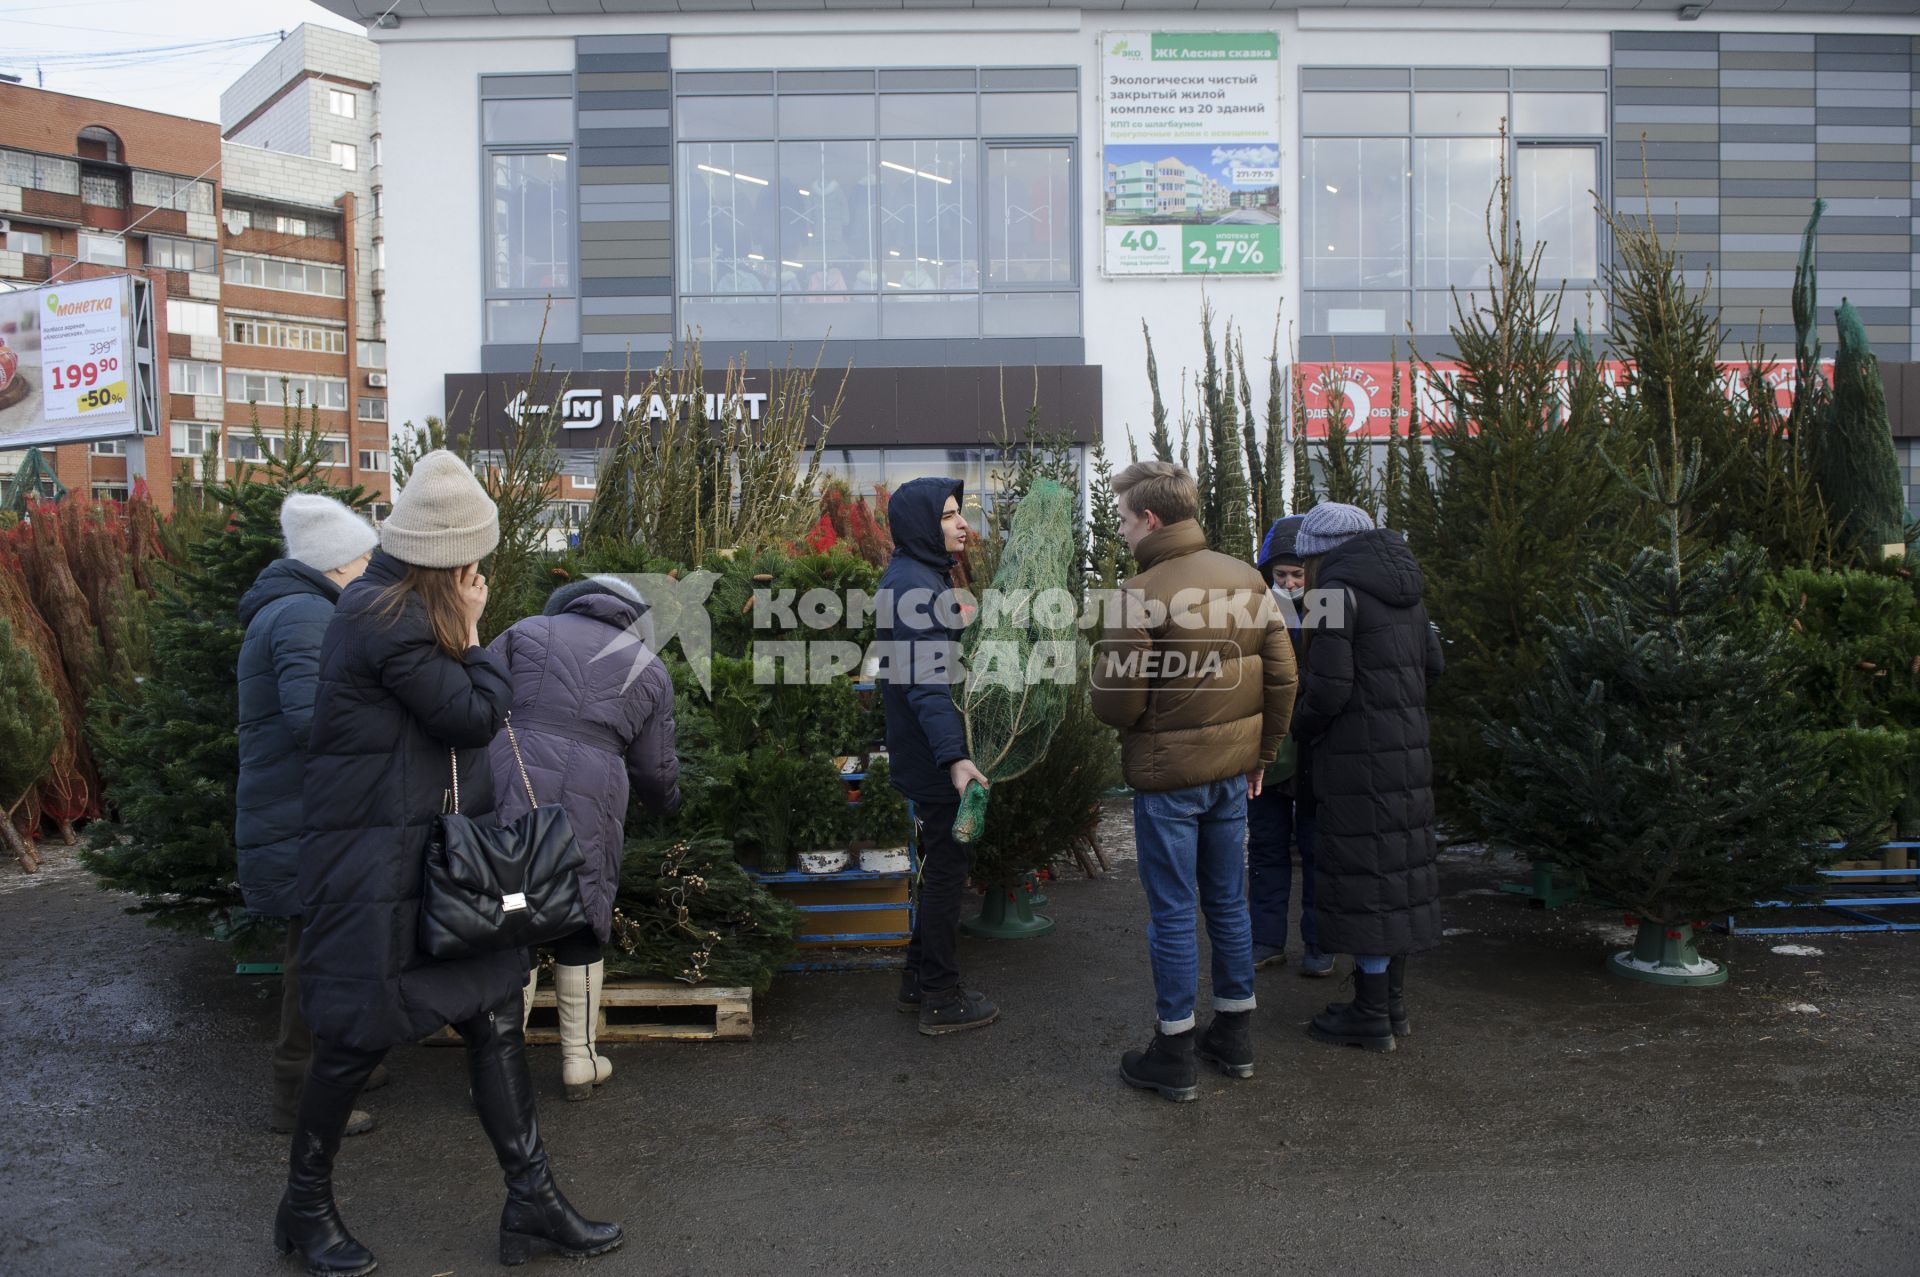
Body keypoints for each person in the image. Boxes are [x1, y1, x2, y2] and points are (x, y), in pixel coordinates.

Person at [279, 451, 621, 1274]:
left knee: (496, 1010)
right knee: (355, 1040)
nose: (479, 574)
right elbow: (474, 712)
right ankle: (303, 1208)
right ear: (448, 557)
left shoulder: (392, 608)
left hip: (430, 856)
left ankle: (531, 1199)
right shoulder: (382, 618)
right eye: (473, 562)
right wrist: (474, 630)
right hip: (376, 867)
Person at [1091, 462, 1297, 1102]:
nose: (1122, 531)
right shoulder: (1247, 577)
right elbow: (1284, 678)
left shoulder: (1140, 590)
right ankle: (1234, 1039)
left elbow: (1117, 704)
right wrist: (1261, 757)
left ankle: (1174, 1052)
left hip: (1168, 778)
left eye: (1124, 519)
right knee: (1228, 903)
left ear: (1149, 518)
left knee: (1175, 910)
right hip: (1232, 774)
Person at [488, 574, 683, 1102]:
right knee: (581, 915)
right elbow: (654, 769)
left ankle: (499, 1069)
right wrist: (668, 808)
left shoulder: (525, 632)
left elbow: (471, 702)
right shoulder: (648, 666)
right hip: (594, 794)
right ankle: (580, 1061)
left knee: (513, 916)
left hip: (511, 781)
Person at [237, 494, 383, 1140]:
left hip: (301, 813)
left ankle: (332, 1068)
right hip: (303, 818)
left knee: (318, 949)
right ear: (336, 566)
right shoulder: (302, 616)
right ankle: (296, 1095)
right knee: (312, 958)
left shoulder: (295, 610)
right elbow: (313, 720)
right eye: (363, 563)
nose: (371, 573)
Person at [1287, 502, 1444, 1053]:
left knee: (1365, 881)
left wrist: (1298, 729)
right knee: (1394, 876)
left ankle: (1370, 1015)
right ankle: (1391, 1006)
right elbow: (1435, 666)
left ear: (1319, 554)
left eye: (1305, 561)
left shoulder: (1332, 595)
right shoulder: (1407, 590)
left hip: (1356, 761)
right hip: (1408, 756)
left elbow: (1329, 688)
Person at [874, 476, 996, 1036]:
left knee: (940, 865)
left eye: (959, 512)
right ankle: (942, 998)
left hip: (923, 747)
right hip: (931, 753)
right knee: (948, 872)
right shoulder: (916, 586)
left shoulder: (919, 576)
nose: (962, 523)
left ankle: (916, 980)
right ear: (924, 524)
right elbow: (927, 682)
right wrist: (954, 758)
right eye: (949, 515)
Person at [1247, 515, 1334, 978]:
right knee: (1266, 848)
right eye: (1280, 576)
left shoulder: (1328, 611)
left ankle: (1320, 943)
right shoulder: (1257, 615)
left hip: (1315, 753)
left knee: (1319, 850)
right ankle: (1266, 940)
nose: (1290, 583)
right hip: (1271, 757)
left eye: (1297, 574)